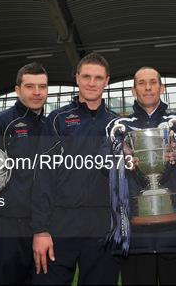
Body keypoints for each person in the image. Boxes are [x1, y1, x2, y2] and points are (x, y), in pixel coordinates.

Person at [106, 67, 176, 285]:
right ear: (134, 91)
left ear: (161, 88)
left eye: (153, 82)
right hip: (135, 239)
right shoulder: (119, 126)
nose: (148, 87)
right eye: (141, 83)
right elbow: (100, 156)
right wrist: (120, 153)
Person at [31, 53, 120, 285]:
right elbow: (43, 175)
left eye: (98, 78)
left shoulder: (118, 124)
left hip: (103, 227)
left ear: (107, 81)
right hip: (61, 224)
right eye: (87, 76)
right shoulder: (57, 119)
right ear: (77, 78)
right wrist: (40, 229)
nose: (92, 83)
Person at [0, 62, 48, 285]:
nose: (37, 92)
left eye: (42, 87)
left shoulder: (50, 126)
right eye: (30, 86)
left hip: (39, 226)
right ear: (18, 90)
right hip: (3, 227)